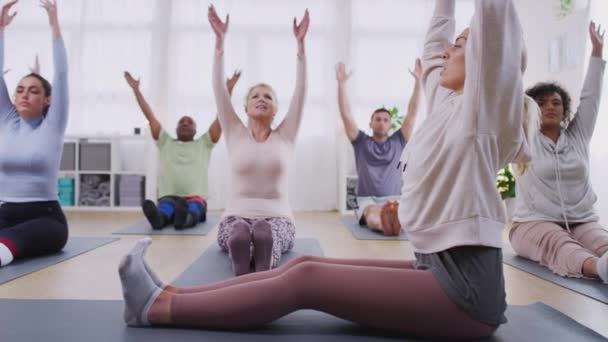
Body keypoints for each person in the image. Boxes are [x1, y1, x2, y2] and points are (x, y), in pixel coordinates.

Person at [118, 1, 532, 339]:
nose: (446, 51)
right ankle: (170, 292)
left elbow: (496, 24)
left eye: (460, 45)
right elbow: (435, 36)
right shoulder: (446, 104)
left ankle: (160, 308)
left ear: (488, 61)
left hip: (466, 291)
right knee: (299, 267)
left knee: (306, 281)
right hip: (435, 266)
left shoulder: (485, 111)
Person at [209, 5, 308, 276]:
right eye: (255, 96)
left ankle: (260, 258)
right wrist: (220, 43)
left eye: (268, 97)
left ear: (276, 108)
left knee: (268, 234)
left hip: (278, 219)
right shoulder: (234, 132)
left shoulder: (286, 135)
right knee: (238, 233)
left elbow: (301, 91)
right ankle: (246, 257)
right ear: (245, 107)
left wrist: (301, 47)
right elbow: (219, 90)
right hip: (235, 217)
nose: (261, 99)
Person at [509, 21, 608, 283]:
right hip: (532, 223)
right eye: (541, 103)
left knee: (601, 241)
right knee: (560, 245)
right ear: (530, 109)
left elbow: (591, 97)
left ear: (565, 110)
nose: (550, 107)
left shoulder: (578, 136)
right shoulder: (522, 138)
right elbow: (505, 95)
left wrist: (597, 53)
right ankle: (597, 269)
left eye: (556, 102)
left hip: (581, 219)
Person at [123, 69, 241, 229]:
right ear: (176, 128)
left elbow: (221, 115)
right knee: (166, 207)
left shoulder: (205, 143)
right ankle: (159, 219)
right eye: (182, 122)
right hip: (168, 196)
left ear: (196, 129)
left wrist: (228, 90)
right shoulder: (165, 141)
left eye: (189, 122)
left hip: (195, 197)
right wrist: (136, 90)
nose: (185, 123)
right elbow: (149, 116)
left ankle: (184, 219)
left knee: (194, 207)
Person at [0, 0, 69, 267]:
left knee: (7, 243)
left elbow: (61, 75)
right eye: (20, 89)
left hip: (46, 218)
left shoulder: (52, 125)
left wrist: (54, 25)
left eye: (34, 90)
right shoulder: (6, 120)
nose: (25, 95)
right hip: (6, 213)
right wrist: (1, 30)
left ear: (47, 99)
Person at [335, 58, 422, 236]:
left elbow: (412, 114)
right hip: (368, 200)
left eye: (385, 120)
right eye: (377, 119)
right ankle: (386, 225)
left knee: (405, 214)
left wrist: (418, 81)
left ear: (391, 124)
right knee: (373, 217)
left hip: (395, 200)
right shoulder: (361, 142)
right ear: (371, 123)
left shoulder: (399, 140)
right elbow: (346, 115)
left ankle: (396, 220)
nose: (381, 123)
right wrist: (341, 84)